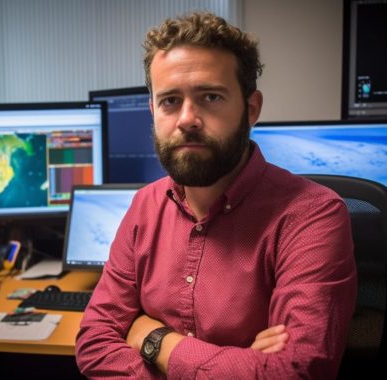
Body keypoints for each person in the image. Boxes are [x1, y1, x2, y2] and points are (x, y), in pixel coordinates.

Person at [76, 11, 357, 379]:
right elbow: (94, 341)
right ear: (153, 110)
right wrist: (238, 365)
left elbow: (296, 371)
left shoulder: (313, 216)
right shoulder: (145, 206)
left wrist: (154, 339)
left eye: (210, 96)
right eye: (170, 101)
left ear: (251, 109)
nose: (187, 118)